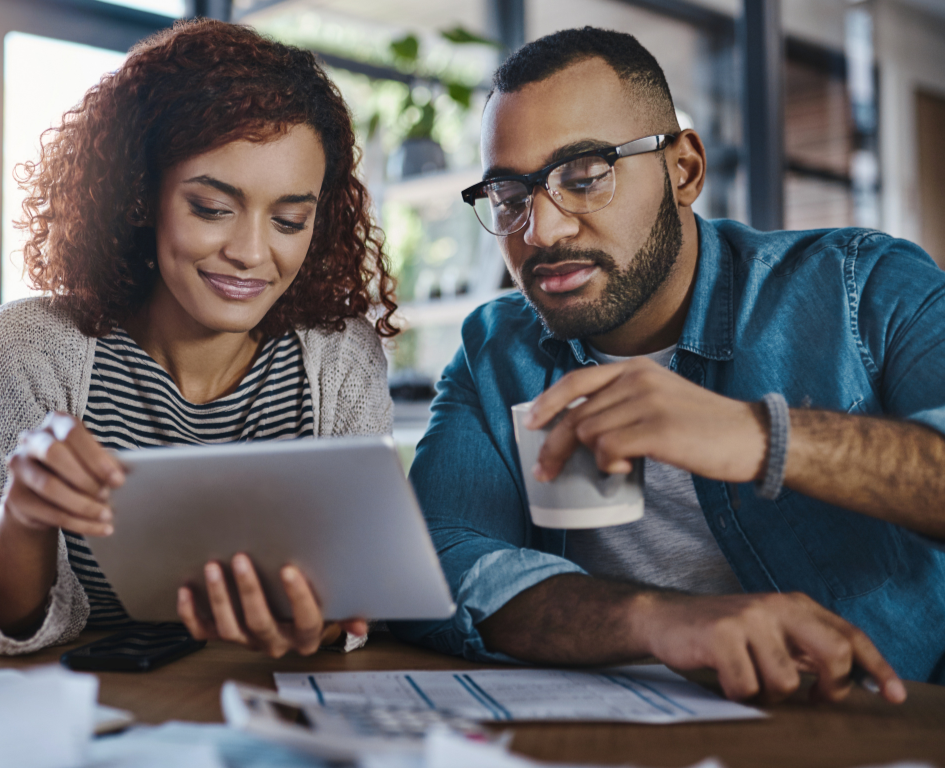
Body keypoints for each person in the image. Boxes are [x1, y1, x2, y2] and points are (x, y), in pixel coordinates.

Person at [391, 26, 945, 702]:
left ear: (684, 170)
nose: (544, 231)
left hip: (872, 723)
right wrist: (660, 622)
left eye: (586, 177)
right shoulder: (495, 350)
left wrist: (757, 436)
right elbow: (435, 562)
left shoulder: (865, 286)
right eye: (510, 197)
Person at [0, 19, 397, 658]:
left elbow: (364, 593)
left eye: (289, 219)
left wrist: (332, 620)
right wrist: (23, 519)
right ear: (141, 195)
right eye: (211, 208)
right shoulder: (28, 347)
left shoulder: (341, 358)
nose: (253, 252)